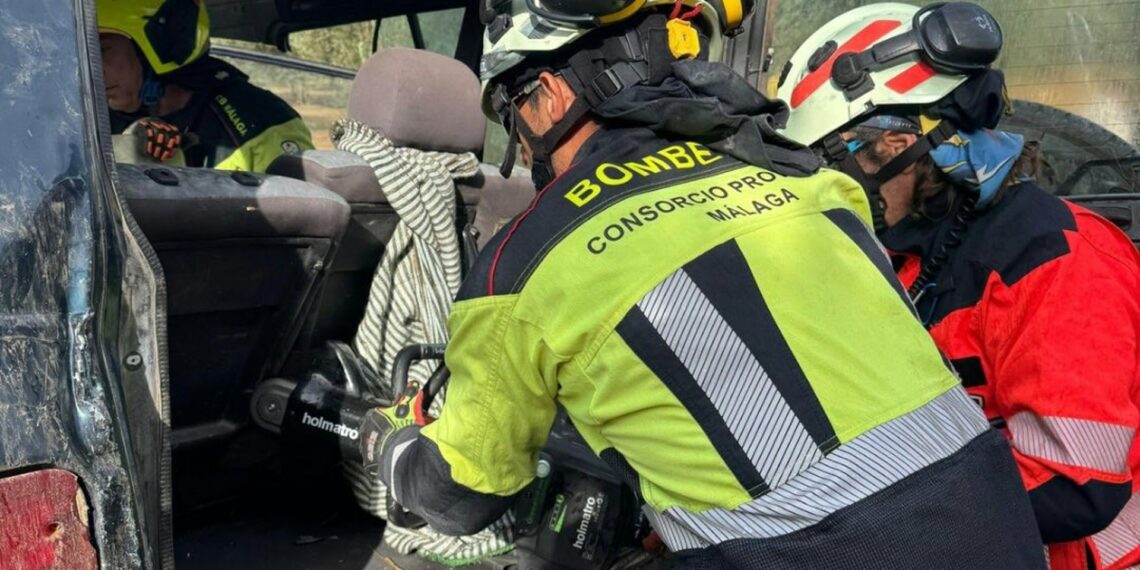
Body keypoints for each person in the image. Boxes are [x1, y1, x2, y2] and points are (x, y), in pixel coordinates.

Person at [351, 1, 1047, 567]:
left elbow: (463, 496)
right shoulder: (813, 182)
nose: (520, 137)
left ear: (552, 94)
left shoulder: (525, 263)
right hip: (998, 521)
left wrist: (390, 442)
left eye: (513, 110)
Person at [777, 3, 1140, 569]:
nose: (829, 190)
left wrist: (853, 531)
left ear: (894, 145)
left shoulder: (1054, 257)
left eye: (833, 165)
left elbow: (1073, 485)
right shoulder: (910, 256)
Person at [97, 0, 313, 171]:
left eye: (101, 50)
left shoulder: (263, 120)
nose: (92, 67)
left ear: (163, 41)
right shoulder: (91, 120)